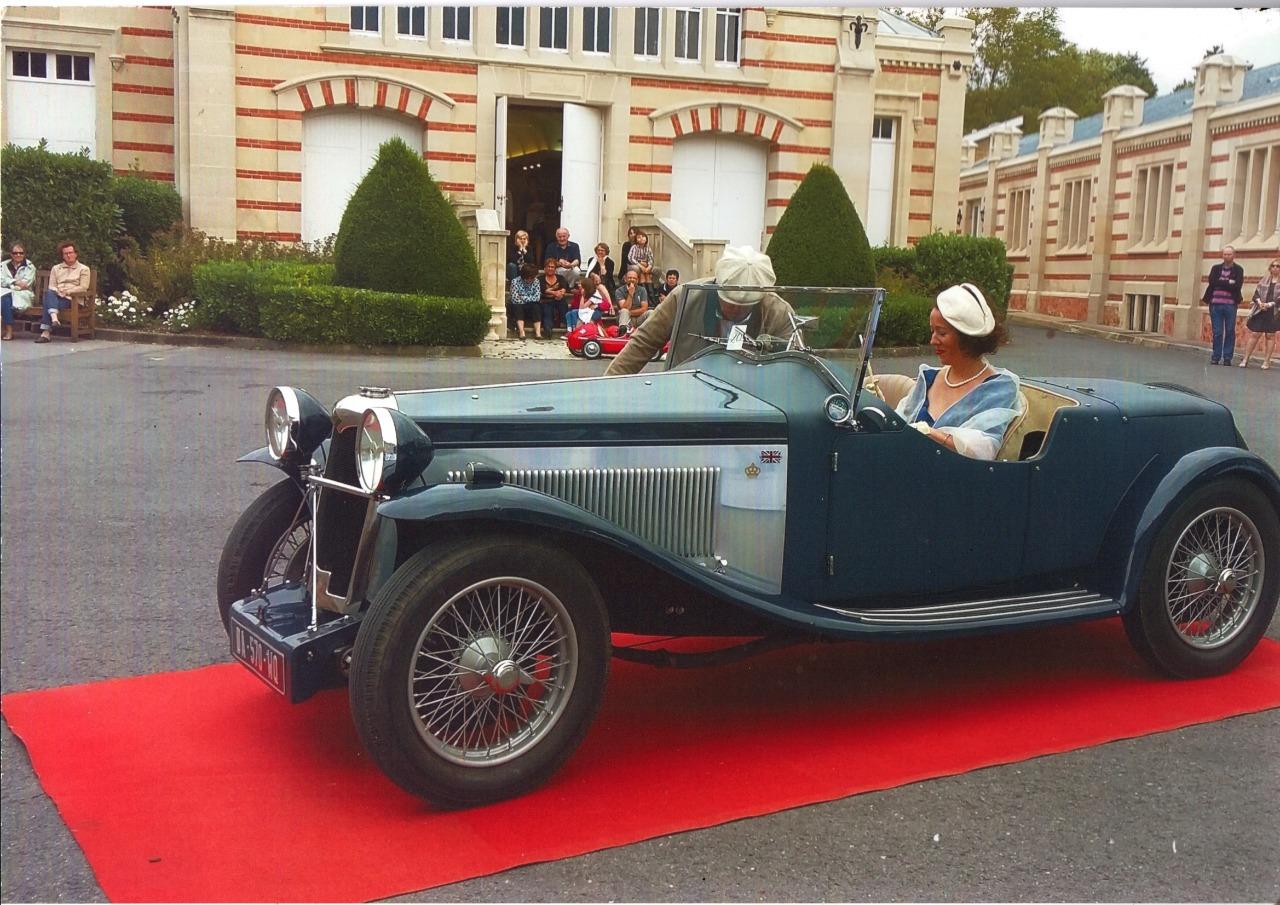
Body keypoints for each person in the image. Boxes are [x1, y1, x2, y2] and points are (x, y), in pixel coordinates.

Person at [605, 245, 796, 377]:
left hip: (751, 406)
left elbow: (792, 368)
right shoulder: (684, 297)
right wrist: (607, 387)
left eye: (745, 306)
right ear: (716, 286)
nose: (736, 310)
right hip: (686, 399)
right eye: (729, 301)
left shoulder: (779, 313)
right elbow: (644, 342)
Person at [893, 283, 1022, 461]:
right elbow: (895, 427)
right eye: (932, 331)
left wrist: (928, 433)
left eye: (941, 333)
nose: (932, 340)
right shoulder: (928, 378)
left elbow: (984, 449)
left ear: (966, 337)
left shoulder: (998, 388)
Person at [37, 241, 90, 344]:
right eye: (66, 253)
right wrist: (58, 291)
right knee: (49, 293)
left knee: (48, 302)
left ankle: (46, 333)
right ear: (62, 256)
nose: (69, 255)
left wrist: (68, 291)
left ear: (76, 254)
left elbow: (84, 287)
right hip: (57, 296)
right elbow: (52, 286)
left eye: (71, 252)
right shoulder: (56, 268)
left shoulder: (83, 269)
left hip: (73, 300)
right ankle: (54, 317)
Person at [1203, 245, 1245, 365]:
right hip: (1215, 304)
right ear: (1222, 255)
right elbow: (1212, 281)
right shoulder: (1215, 268)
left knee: (1230, 331)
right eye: (1225, 254)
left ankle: (1227, 357)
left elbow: (1237, 286)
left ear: (1234, 255)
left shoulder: (1238, 270)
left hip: (1230, 305)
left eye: (1229, 254)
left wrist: (1221, 283)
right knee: (1217, 332)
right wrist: (1228, 282)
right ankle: (1216, 356)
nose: (1227, 256)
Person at [1239, 257, 1279, 370]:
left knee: (1270, 336)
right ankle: (1246, 359)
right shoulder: (1264, 280)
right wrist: (1260, 303)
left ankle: (1266, 361)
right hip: (1261, 310)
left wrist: (1269, 304)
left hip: (1274, 312)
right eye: (1273, 266)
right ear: (1270, 268)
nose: (1275, 268)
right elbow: (1256, 294)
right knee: (1255, 334)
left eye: (1278, 266)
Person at [1, 242, 37, 341]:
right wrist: (15, 282)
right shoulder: (3, 265)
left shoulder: (30, 266)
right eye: (15, 253)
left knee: (5, 298)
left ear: (24, 254)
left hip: (23, 295)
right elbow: (1, 280)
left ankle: (9, 331)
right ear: (11, 254)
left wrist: (9, 284)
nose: (18, 255)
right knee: (5, 297)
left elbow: (26, 284)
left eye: (21, 253)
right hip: (6, 293)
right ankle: (8, 330)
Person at [509, 262, 542, 340]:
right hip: (518, 305)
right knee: (518, 306)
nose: (530, 280)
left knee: (536, 307)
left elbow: (537, 297)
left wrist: (523, 297)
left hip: (530, 305)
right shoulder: (515, 281)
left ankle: (538, 332)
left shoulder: (536, 281)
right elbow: (515, 298)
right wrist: (529, 298)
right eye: (528, 278)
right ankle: (521, 332)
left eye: (532, 278)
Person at [537, 257, 569, 338]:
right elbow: (544, 290)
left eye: (552, 267)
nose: (550, 268)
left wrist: (560, 293)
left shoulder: (560, 278)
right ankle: (548, 330)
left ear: (555, 269)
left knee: (563, 303)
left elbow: (564, 288)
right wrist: (555, 292)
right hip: (546, 301)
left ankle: (564, 323)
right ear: (545, 268)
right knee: (547, 311)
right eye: (548, 266)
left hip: (558, 300)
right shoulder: (540, 279)